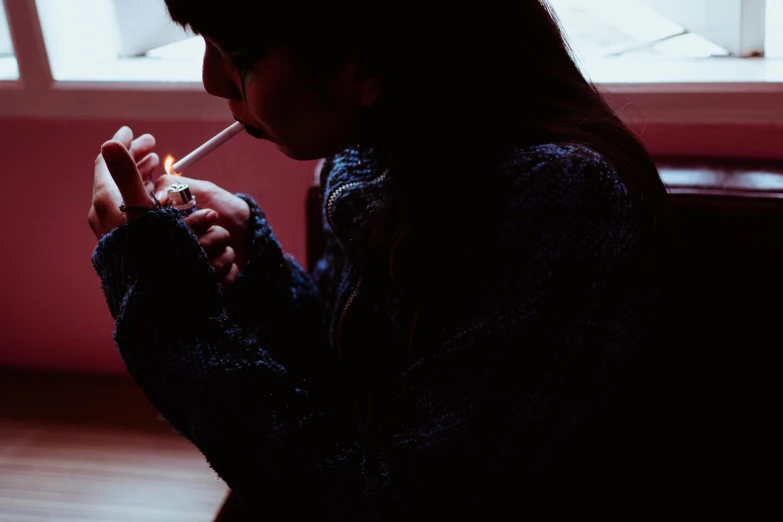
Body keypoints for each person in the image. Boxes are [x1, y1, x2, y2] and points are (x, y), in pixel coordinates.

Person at [88, 0, 670, 518]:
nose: (213, 80)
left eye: (235, 52)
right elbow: (348, 384)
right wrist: (255, 266)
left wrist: (164, 311)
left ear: (365, 61)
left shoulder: (560, 202)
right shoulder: (376, 157)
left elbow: (388, 498)